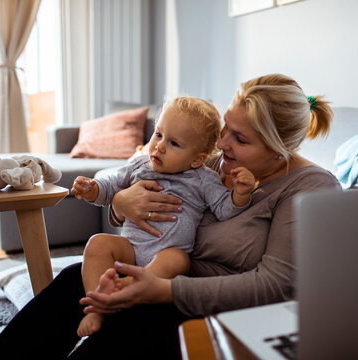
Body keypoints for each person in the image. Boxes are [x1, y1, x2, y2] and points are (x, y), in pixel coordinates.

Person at [0, 74, 341, 359]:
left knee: (128, 326)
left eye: (239, 139)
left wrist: (165, 290)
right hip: (153, 274)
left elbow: (274, 287)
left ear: (281, 148)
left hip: (204, 307)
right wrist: (120, 203)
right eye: (225, 129)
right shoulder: (215, 161)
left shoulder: (309, 189)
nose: (221, 144)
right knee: (75, 280)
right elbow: (153, 203)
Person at [72, 96, 255, 337]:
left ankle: (120, 290)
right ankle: (96, 307)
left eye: (174, 143)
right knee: (97, 243)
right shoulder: (140, 164)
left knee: (179, 261)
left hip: (166, 254)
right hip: (130, 248)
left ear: (198, 159)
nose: (159, 146)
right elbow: (110, 187)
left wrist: (240, 194)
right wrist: (92, 189)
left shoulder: (203, 178)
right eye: (158, 134)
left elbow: (225, 208)